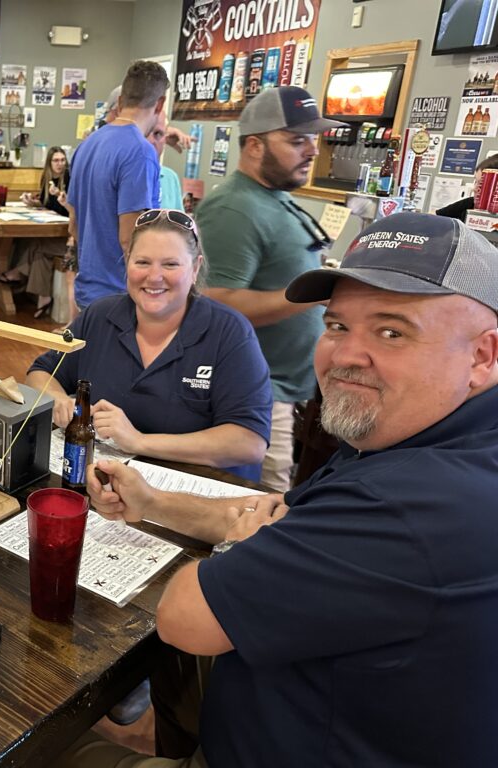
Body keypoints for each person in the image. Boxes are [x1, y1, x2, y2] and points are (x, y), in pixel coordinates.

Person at [60, 211, 498, 768]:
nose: (346, 355)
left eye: (392, 332)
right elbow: (277, 509)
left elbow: (183, 616)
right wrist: (151, 502)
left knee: (30, 743)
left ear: (482, 356)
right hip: (286, 702)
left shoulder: (414, 502)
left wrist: (237, 547)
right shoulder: (413, 437)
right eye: (337, 326)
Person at [28, 209, 271, 482]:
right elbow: (41, 372)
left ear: (195, 268)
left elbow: (249, 443)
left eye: (171, 264)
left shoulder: (229, 333)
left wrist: (139, 441)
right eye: (142, 262)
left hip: (199, 492)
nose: (154, 277)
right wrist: (60, 400)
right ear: (127, 263)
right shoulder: (99, 316)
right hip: (108, 483)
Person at [194, 85, 344, 491]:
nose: (312, 151)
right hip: (259, 392)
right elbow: (215, 303)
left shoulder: (272, 198)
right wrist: (316, 292)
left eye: (313, 139)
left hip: (289, 387)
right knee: (263, 500)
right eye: (297, 141)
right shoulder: (234, 208)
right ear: (255, 146)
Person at [67, 61, 167, 311]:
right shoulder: (140, 152)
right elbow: (131, 240)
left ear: (121, 100)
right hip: (120, 299)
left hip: (88, 293)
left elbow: (74, 225)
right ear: (160, 104)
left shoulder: (87, 146)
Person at [0, 146, 73, 318]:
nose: (60, 164)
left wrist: (59, 197)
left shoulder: (69, 180)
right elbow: (50, 206)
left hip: (68, 236)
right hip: (55, 228)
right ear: (49, 163)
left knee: (37, 243)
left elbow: (68, 210)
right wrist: (34, 203)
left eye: (62, 160)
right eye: (56, 160)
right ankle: (42, 297)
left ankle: (19, 274)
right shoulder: (47, 178)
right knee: (34, 245)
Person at [436, 152, 498, 221]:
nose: (474, 189)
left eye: (481, 184)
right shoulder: (469, 203)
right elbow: (433, 217)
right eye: (476, 182)